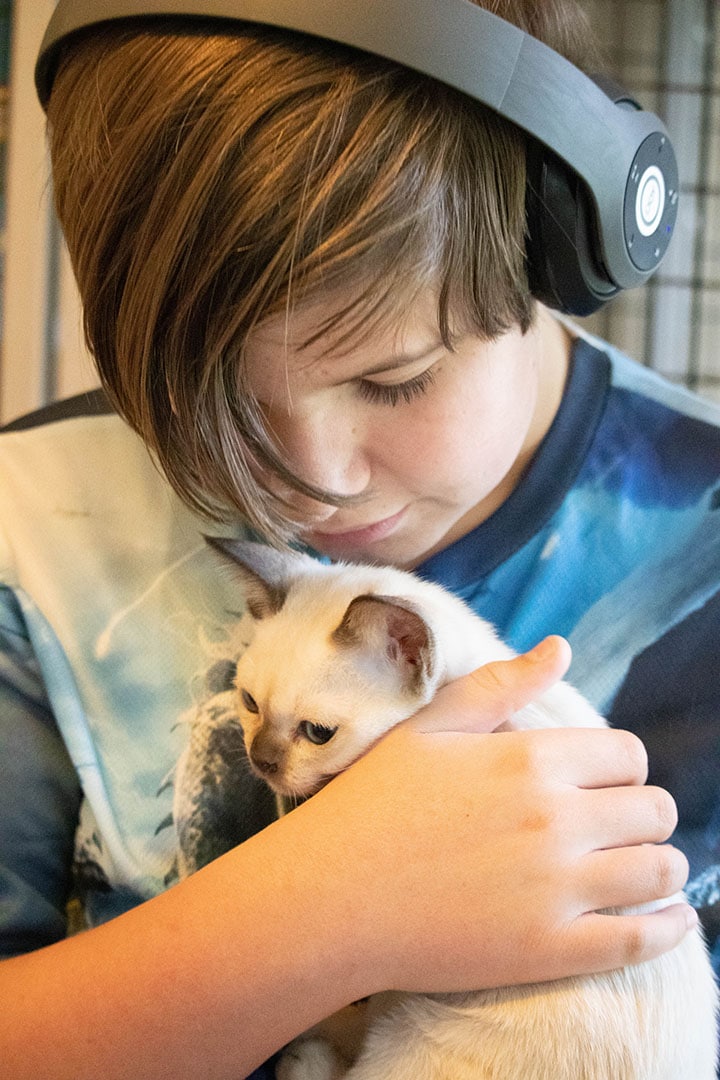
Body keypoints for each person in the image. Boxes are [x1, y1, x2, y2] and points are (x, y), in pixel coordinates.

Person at [0, 1, 717, 1078]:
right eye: (219, 401)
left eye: (395, 378)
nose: (312, 481)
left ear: (566, 244)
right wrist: (317, 916)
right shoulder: (26, 515)